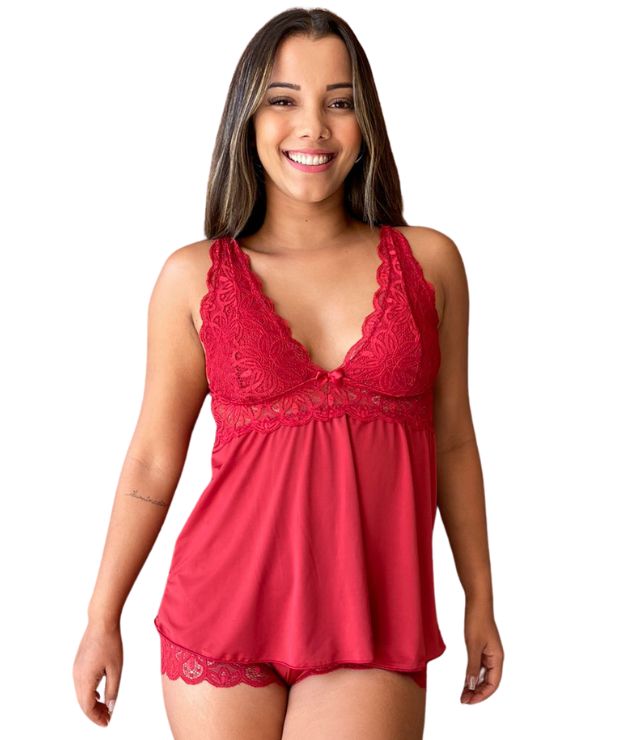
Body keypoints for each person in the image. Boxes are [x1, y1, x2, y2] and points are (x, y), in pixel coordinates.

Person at [73, 8, 504, 738]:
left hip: (372, 619)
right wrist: (101, 617)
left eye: (339, 102)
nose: (314, 127)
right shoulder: (192, 278)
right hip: (218, 615)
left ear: (366, 122)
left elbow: (454, 442)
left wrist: (480, 598)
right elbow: (152, 459)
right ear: (248, 117)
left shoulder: (430, 264)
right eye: (283, 99)